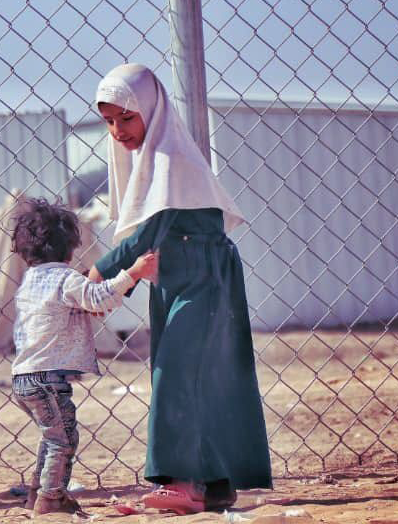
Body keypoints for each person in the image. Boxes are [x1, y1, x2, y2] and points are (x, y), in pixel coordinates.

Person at [89, 63, 272, 515]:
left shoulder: (172, 161)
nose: (118, 131)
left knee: (178, 372)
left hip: (203, 278)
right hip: (179, 277)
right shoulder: (150, 164)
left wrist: (97, 276)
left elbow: (147, 231)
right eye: (109, 121)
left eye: (127, 118)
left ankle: (181, 482)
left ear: (151, 110)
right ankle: (215, 483)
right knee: (198, 374)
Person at [10, 198, 160, 516]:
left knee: (52, 436)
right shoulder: (66, 279)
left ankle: (38, 491)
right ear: (69, 247)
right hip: (48, 379)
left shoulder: (29, 282)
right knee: (63, 439)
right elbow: (97, 296)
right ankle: (51, 498)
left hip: (23, 378)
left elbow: (59, 311)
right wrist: (133, 272)